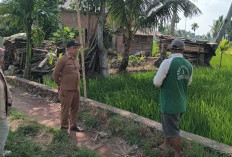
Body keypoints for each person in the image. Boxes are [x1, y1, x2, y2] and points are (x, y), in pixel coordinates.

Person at [153, 38, 193, 157]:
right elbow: (188, 83)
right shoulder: (189, 65)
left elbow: (157, 83)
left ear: (171, 49)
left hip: (170, 104)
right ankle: (165, 145)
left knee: (173, 130)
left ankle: (177, 153)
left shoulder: (167, 63)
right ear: (183, 51)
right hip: (181, 103)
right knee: (169, 126)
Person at [53, 40, 83, 132]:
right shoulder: (63, 59)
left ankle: (73, 125)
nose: (76, 50)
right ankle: (64, 128)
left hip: (75, 89)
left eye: (77, 48)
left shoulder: (76, 60)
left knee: (75, 108)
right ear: (68, 49)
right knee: (65, 109)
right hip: (66, 89)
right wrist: (59, 84)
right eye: (74, 48)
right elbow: (55, 73)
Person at [0, 48, 12, 157]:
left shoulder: (0, 70)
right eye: (2, 56)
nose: (3, 58)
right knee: (4, 128)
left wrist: (9, 102)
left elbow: (4, 88)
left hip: (2, 107)